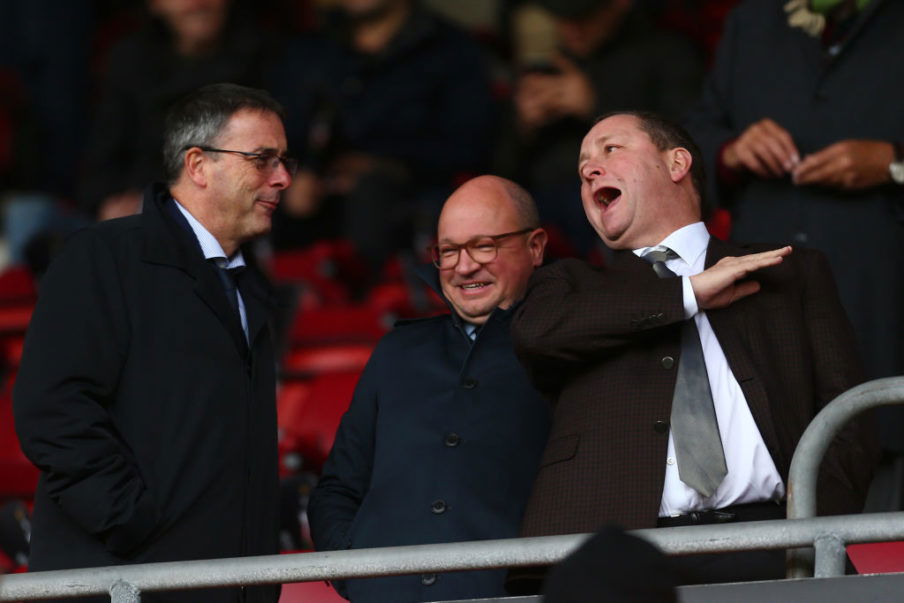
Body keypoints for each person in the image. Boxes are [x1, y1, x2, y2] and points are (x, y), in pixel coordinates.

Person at [510, 111, 878, 586]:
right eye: (582, 167)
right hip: (621, 560)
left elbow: (849, 420)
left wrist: (811, 533)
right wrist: (688, 294)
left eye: (611, 149)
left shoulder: (785, 271)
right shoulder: (569, 285)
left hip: (774, 545)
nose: (589, 170)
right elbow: (536, 334)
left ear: (677, 163)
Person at [13, 82, 292, 603]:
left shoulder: (251, 284)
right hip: (125, 583)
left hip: (226, 587)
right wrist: (131, 521)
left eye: (283, 161)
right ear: (198, 165)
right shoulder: (102, 256)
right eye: (262, 160)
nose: (283, 178)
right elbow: (52, 409)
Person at [307, 175, 551, 602]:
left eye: (484, 246)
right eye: (449, 251)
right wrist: (354, 567)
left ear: (535, 246)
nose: (464, 267)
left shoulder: (566, 350)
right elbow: (337, 488)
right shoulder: (397, 352)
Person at [683, 0, 904, 450]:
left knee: (878, 452)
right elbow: (697, 132)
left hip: (880, 300)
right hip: (766, 298)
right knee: (765, 447)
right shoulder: (752, 19)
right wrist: (731, 151)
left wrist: (893, 163)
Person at [268, 0, 494, 277]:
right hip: (314, 201)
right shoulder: (312, 47)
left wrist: (382, 166)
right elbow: (283, 127)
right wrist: (302, 171)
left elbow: (469, 146)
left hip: (407, 204)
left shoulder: (451, 51)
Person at [494, 0, 702, 255]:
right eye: (562, 19)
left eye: (584, 17)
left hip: (623, 206)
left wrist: (594, 104)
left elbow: (686, 144)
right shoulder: (552, 65)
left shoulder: (667, 53)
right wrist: (523, 125)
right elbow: (499, 169)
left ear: (618, 5)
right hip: (544, 206)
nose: (571, 30)